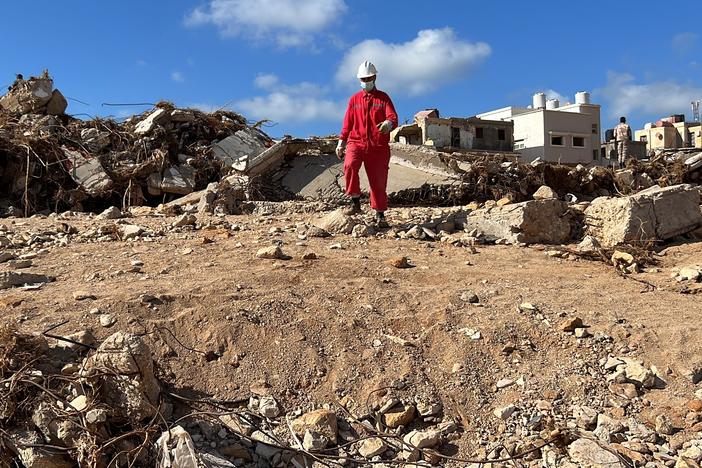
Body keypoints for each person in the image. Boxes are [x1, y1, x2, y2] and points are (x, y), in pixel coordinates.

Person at [336, 61, 398, 227]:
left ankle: (380, 214)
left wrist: (389, 124)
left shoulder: (383, 98)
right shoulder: (354, 100)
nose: (365, 81)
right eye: (363, 78)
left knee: (378, 182)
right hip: (356, 143)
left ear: (375, 77)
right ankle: (355, 201)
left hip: (378, 147)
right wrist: (341, 142)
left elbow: (392, 117)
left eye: (368, 77)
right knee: (349, 166)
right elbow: (347, 122)